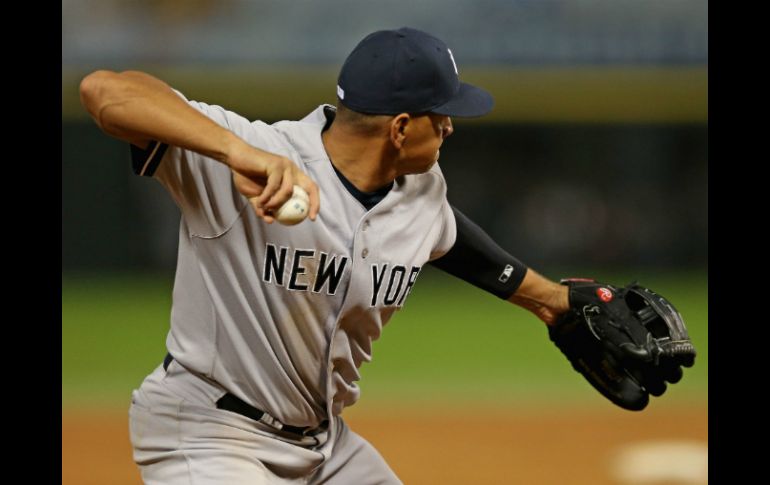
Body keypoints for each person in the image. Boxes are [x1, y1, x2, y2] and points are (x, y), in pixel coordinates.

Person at [80, 27, 570, 485]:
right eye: (441, 114)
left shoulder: (421, 194)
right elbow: (104, 92)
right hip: (210, 432)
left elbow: (456, 242)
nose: (449, 127)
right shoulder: (258, 155)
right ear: (400, 128)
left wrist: (551, 301)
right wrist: (235, 153)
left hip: (325, 446)